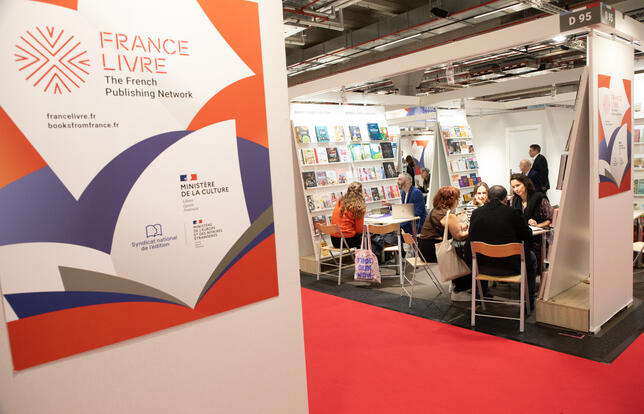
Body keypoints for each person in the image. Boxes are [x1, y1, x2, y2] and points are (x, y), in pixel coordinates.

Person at [469, 185, 537, 308]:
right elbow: (527, 236)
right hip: (511, 266)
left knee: (478, 255)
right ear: (506, 199)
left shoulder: (476, 213)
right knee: (531, 257)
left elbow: (471, 237)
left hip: (483, 266)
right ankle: (527, 302)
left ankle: (480, 297)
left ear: (488, 198)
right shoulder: (514, 213)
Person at [418, 186, 471, 300]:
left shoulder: (436, 211)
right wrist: (472, 230)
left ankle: (456, 284)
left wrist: (462, 226)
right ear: (451, 200)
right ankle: (460, 290)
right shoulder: (448, 215)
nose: (458, 201)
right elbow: (459, 236)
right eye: (457, 198)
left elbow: (452, 226)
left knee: (459, 251)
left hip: (423, 248)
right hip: (433, 250)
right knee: (465, 255)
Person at [509, 173, 553, 276]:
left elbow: (549, 219)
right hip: (521, 236)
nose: (516, 189)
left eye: (518, 185)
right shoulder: (514, 200)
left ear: (525, 184)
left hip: (537, 237)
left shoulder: (539, 198)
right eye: (513, 187)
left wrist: (537, 225)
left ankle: (531, 275)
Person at [330, 181, 365, 249]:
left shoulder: (340, 202)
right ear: (361, 193)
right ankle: (364, 255)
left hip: (334, 240)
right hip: (347, 240)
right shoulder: (358, 206)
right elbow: (359, 230)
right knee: (367, 237)